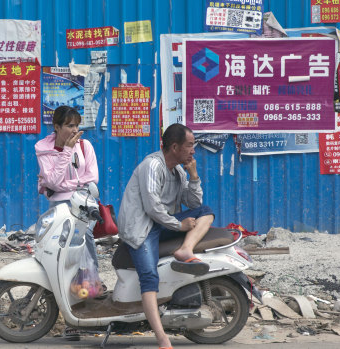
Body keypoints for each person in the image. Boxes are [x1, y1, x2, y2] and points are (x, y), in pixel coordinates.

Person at [117, 123, 215, 349]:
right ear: (174, 146)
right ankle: (162, 338)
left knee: (206, 211)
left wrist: (194, 176)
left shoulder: (179, 171)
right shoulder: (152, 166)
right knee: (149, 277)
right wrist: (179, 226)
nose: (193, 151)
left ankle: (185, 250)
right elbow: (152, 207)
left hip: (162, 224)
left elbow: (194, 204)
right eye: (189, 146)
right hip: (141, 229)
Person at [35, 105, 99, 341]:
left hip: (84, 205)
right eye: (69, 125)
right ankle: (70, 317)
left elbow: (92, 179)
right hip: (60, 209)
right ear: (57, 127)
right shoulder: (43, 147)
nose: (75, 130)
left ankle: (89, 307)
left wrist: (62, 185)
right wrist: (65, 152)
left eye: (76, 125)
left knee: (84, 253)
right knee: (60, 259)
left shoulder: (86, 146)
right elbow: (52, 180)